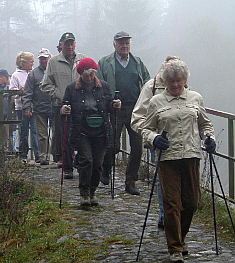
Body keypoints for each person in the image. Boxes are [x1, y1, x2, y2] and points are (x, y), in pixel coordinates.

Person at [141, 59, 216, 262]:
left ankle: (180, 238)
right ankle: (175, 248)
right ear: (165, 82)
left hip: (191, 156)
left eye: (179, 81)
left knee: (191, 202)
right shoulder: (156, 101)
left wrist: (210, 138)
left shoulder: (195, 98)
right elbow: (146, 129)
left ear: (185, 80)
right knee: (171, 203)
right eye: (171, 81)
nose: (175, 85)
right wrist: (154, 138)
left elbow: (205, 124)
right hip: (168, 158)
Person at [61, 58, 121, 206]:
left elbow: (109, 106)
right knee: (86, 161)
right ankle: (84, 193)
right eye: (86, 75)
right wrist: (64, 110)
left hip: (101, 130)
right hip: (81, 130)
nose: (89, 78)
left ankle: (92, 191)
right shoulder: (71, 88)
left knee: (98, 164)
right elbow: (65, 105)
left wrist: (115, 105)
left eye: (92, 74)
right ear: (81, 74)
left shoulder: (104, 87)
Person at [131, 56, 181, 229]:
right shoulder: (151, 87)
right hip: (159, 142)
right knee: (164, 179)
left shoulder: (185, 88)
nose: (175, 83)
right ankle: (165, 216)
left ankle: (176, 214)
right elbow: (137, 117)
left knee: (181, 180)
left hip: (183, 143)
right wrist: (152, 136)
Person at [97, 31, 150, 195]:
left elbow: (148, 82)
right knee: (112, 145)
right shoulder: (105, 62)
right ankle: (106, 168)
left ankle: (131, 182)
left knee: (137, 148)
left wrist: (147, 102)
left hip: (136, 111)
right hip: (114, 110)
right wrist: (108, 102)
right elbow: (98, 85)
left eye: (127, 43)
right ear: (114, 45)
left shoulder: (138, 62)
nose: (124, 46)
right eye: (121, 43)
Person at [41, 32, 86, 178]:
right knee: (64, 137)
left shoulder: (83, 59)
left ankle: (80, 162)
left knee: (83, 135)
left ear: (75, 44)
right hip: (61, 106)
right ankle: (67, 167)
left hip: (82, 105)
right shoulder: (53, 62)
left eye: (72, 43)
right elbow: (45, 84)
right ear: (61, 45)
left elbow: (91, 78)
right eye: (67, 44)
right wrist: (60, 94)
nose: (70, 46)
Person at [23, 48, 52, 165]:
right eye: (41, 59)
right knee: (42, 135)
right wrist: (27, 107)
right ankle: (43, 157)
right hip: (40, 108)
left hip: (55, 106)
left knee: (57, 134)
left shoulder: (54, 70)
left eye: (45, 58)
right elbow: (28, 92)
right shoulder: (33, 74)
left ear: (49, 58)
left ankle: (57, 156)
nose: (43, 61)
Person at [10, 51, 39, 162]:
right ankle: (23, 154)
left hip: (34, 107)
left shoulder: (34, 73)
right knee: (24, 132)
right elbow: (12, 92)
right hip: (21, 108)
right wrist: (20, 91)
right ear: (24, 62)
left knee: (36, 131)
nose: (32, 64)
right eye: (31, 62)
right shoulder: (15, 75)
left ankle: (37, 154)